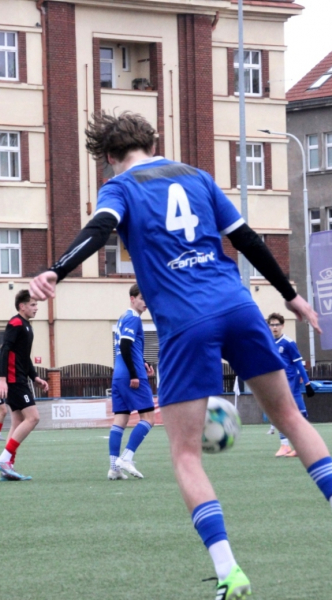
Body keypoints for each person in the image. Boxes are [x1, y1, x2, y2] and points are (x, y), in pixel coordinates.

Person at [29, 111, 332, 600]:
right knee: (293, 420)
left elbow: (100, 228)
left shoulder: (120, 187)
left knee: (186, 455)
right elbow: (247, 239)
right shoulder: (197, 177)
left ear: (110, 156)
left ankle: (230, 572)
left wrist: (55, 270)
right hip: (238, 307)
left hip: (187, 323)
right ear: (152, 144)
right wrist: (291, 295)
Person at [0, 289, 49, 481]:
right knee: (33, 418)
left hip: (19, 379)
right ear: (22, 306)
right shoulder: (15, 323)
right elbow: (4, 350)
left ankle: (7, 468)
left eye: (36, 305)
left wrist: (35, 377)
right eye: (33, 304)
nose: (36, 308)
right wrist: (2, 379)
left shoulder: (26, 326)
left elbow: (24, 357)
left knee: (17, 422)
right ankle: (4, 459)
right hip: (14, 380)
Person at [109, 284, 155, 480]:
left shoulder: (123, 318)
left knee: (121, 419)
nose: (146, 302)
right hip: (130, 376)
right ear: (132, 298)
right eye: (142, 298)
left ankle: (114, 468)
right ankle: (126, 458)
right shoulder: (133, 318)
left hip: (118, 375)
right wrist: (135, 373)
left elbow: (129, 347)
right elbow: (125, 345)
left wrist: (143, 361)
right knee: (149, 418)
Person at [267, 312, 316, 457]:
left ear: (282, 326)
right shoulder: (268, 342)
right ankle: (285, 446)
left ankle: (302, 446)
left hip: (291, 382)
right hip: (277, 383)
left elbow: (299, 364)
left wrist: (307, 383)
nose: (274, 327)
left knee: (297, 415)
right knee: (285, 414)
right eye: (272, 324)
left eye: (277, 324)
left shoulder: (288, 342)